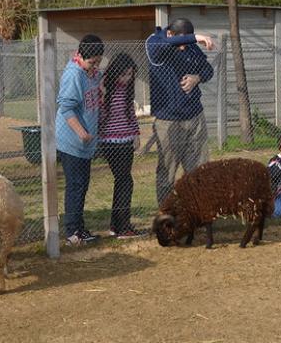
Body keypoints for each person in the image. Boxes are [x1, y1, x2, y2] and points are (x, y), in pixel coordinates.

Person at [145, 18, 215, 205]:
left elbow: (208, 70)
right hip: (168, 120)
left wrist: (197, 78)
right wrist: (195, 37)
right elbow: (163, 43)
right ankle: (166, 214)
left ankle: (198, 212)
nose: (184, 47)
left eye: (188, 43)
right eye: (182, 42)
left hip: (195, 116)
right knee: (167, 170)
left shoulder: (191, 47)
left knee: (199, 169)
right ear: (170, 34)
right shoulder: (155, 42)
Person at [56, 34, 104, 246]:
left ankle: (79, 227)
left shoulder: (91, 72)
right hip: (72, 142)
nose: (95, 65)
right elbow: (66, 107)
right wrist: (81, 133)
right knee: (75, 185)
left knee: (82, 186)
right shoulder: (74, 74)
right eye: (92, 61)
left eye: (98, 61)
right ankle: (72, 232)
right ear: (81, 56)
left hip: (86, 144)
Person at [98, 53, 145, 238]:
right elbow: (99, 115)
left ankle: (116, 226)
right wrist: (103, 93)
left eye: (130, 75)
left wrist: (135, 134)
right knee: (125, 181)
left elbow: (130, 114)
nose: (127, 79)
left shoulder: (127, 90)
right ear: (116, 71)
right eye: (124, 74)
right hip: (110, 142)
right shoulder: (103, 87)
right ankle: (123, 226)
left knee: (123, 182)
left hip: (126, 141)